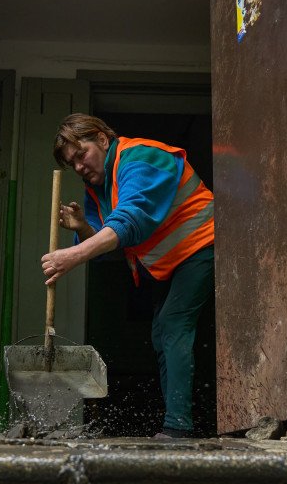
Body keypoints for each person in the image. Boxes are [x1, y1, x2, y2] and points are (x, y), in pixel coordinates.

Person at [41, 113, 215, 439]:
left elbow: (131, 220)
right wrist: (83, 229)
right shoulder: (100, 188)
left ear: (103, 140)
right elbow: (113, 245)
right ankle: (179, 422)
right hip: (170, 263)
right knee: (163, 331)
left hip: (202, 243)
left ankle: (179, 429)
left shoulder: (140, 157)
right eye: (71, 163)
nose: (78, 167)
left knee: (175, 324)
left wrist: (74, 255)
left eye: (82, 155)